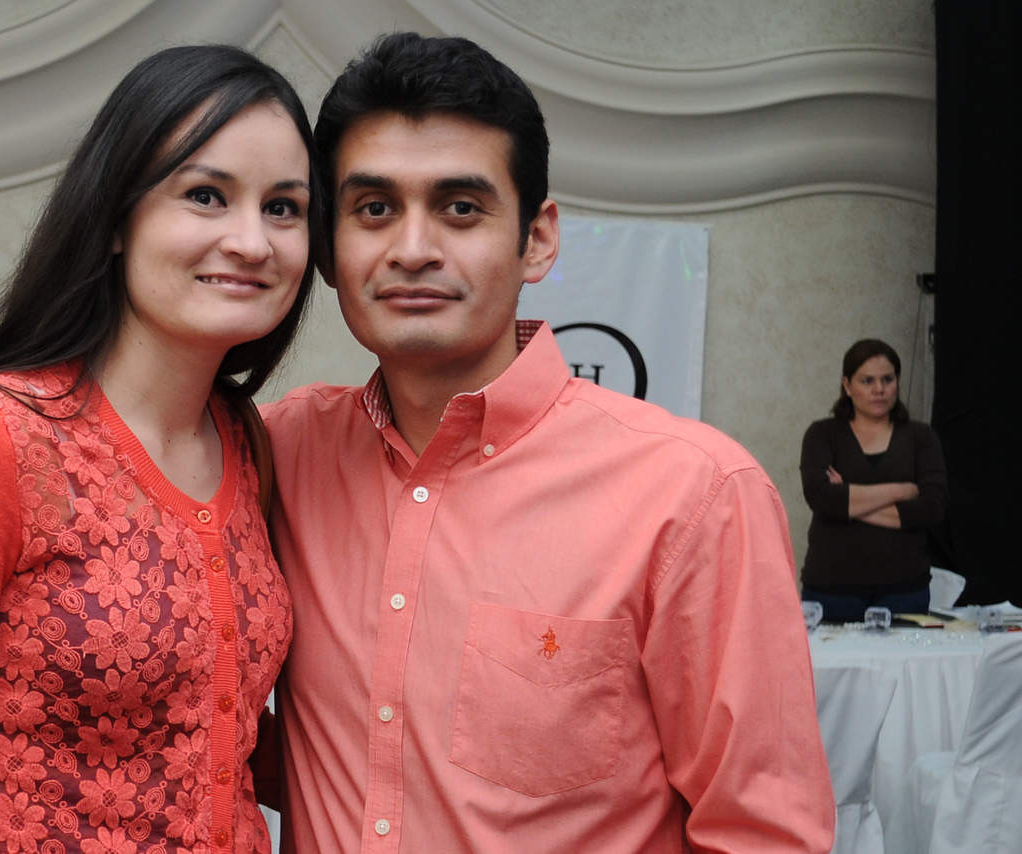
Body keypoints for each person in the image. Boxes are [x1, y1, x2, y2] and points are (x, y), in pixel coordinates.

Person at [261, 32, 834, 853]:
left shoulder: (694, 495)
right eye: (374, 208)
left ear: (537, 239)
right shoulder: (280, 455)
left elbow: (763, 834)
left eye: (461, 208)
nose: (412, 249)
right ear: (328, 246)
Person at [0, 45, 320, 853]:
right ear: (116, 218)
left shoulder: (248, 444)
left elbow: (215, 740)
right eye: (207, 195)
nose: (253, 241)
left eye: (284, 207)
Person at [799, 338, 948, 622]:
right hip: (831, 589)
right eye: (867, 381)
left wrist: (848, 499)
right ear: (847, 385)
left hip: (905, 588)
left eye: (887, 379)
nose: (879, 389)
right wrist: (902, 490)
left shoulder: (921, 437)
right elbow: (822, 499)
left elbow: (932, 509)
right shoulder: (822, 434)